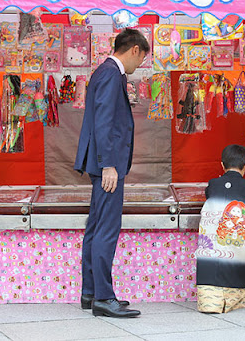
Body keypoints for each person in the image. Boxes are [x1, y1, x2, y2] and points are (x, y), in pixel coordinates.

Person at [74, 28, 150, 318]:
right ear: (134, 50)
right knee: (106, 229)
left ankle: (91, 292)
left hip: (104, 163)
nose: (138, 66)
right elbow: (103, 122)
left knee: (96, 228)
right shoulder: (109, 74)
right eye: (141, 59)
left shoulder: (104, 73)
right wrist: (108, 165)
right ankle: (104, 298)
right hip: (108, 166)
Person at [196, 144, 245, 314]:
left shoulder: (213, 185)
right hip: (237, 261)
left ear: (222, 165)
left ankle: (211, 301)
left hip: (209, 263)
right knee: (239, 250)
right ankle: (235, 299)